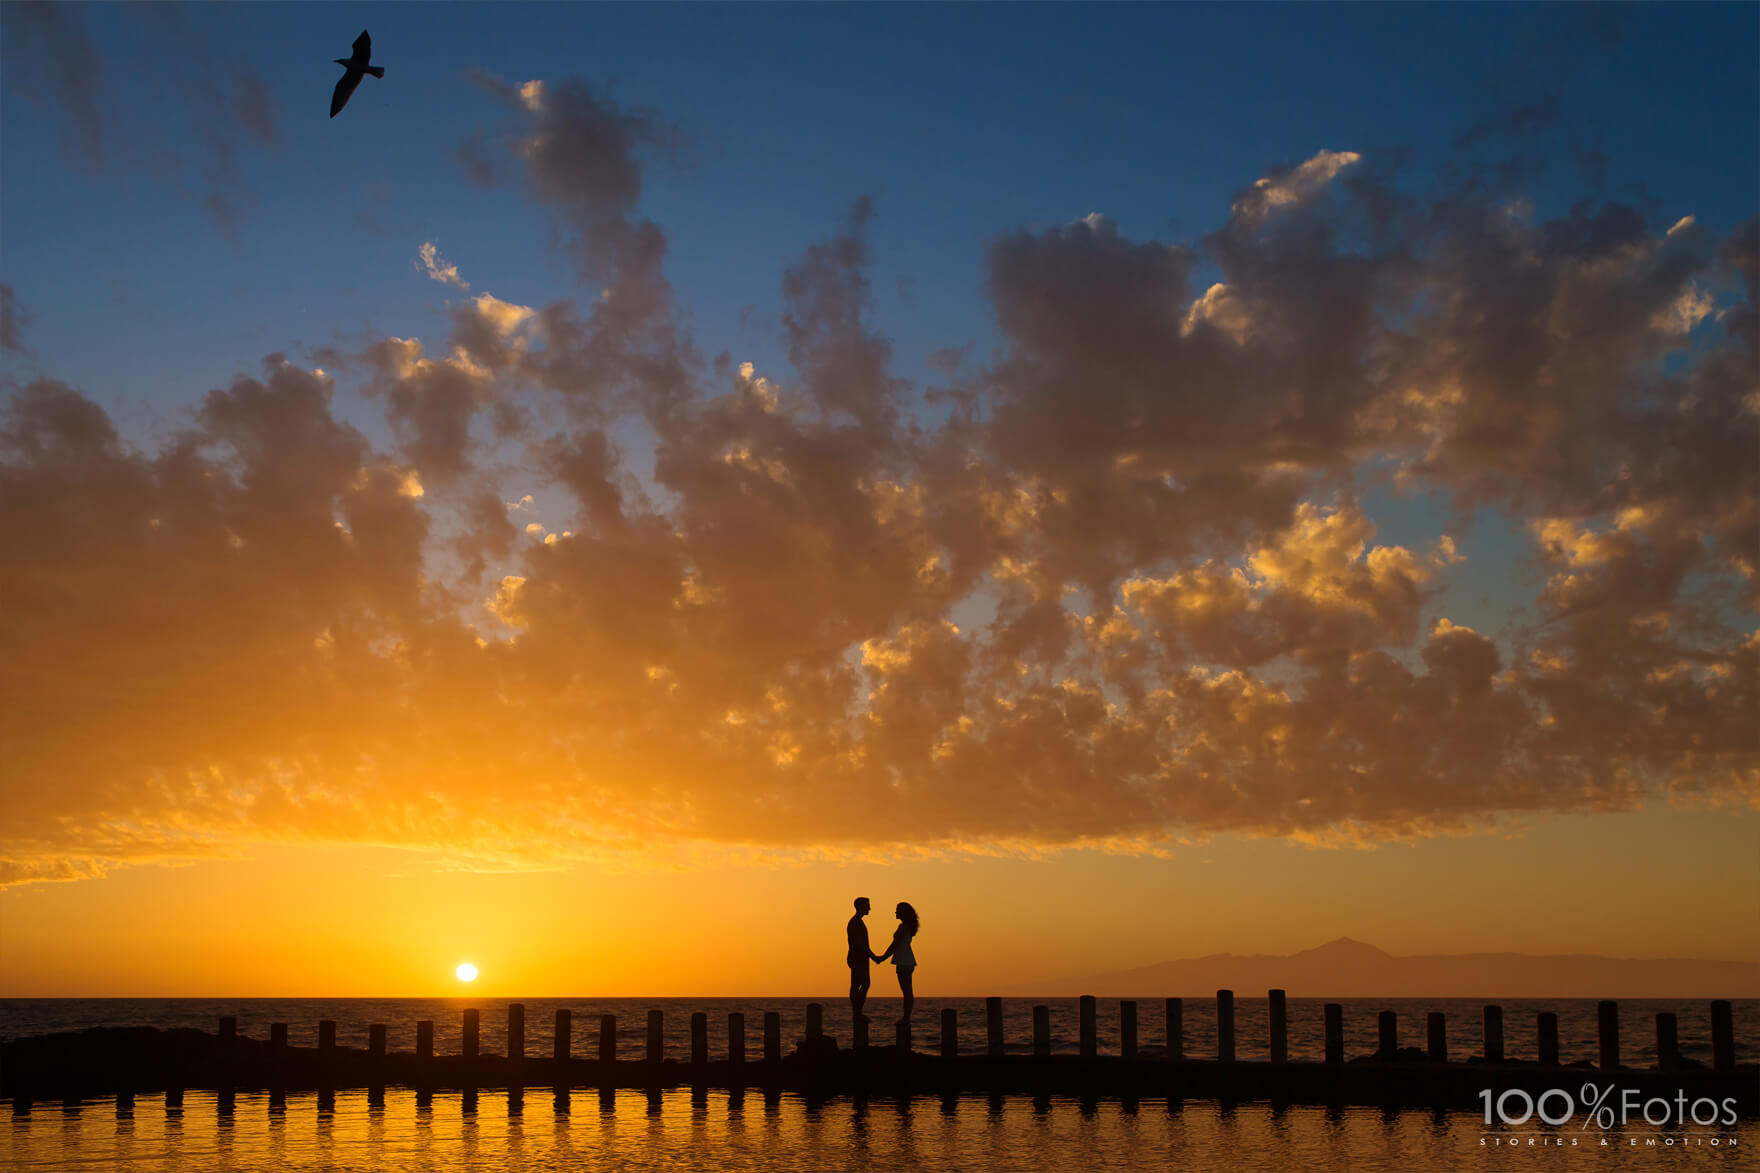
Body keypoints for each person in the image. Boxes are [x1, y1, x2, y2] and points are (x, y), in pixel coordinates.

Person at [874, 901, 919, 1026]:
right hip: (907, 960)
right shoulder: (908, 926)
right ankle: (906, 1017)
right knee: (907, 991)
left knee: (907, 991)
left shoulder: (903, 927)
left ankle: (906, 1018)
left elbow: (894, 945)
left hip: (903, 960)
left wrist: (882, 958)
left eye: (897, 911)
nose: (895, 913)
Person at [847, 897, 881, 1023]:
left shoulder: (856, 922)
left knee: (857, 985)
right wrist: (874, 957)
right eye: (867, 906)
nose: (869, 908)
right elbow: (861, 944)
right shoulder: (856, 923)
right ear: (860, 906)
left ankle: (857, 1012)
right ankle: (857, 1012)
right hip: (859, 958)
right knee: (863, 983)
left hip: (858, 957)